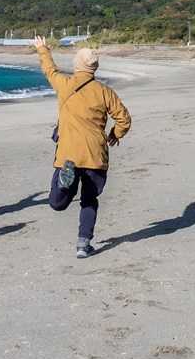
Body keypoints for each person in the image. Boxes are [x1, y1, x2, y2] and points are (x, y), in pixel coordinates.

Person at [33, 36, 131, 258]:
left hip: (68, 154)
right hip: (95, 156)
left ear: (77, 65)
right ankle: (83, 245)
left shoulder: (65, 84)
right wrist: (115, 134)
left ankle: (63, 187)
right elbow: (124, 119)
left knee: (57, 203)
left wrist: (43, 49)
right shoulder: (105, 91)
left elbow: (49, 70)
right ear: (94, 67)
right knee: (89, 200)